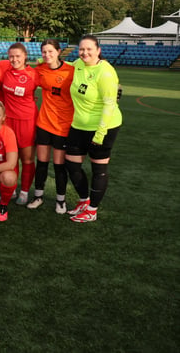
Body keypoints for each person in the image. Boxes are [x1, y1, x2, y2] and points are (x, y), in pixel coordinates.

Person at [65, 35, 122, 223]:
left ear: (98, 50)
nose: (84, 53)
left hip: (103, 126)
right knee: (72, 164)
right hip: (79, 124)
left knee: (99, 168)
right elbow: (62, 64)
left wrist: (100, 133)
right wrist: (43, 60)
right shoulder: (78, 64)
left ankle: (92, 210)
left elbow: (109, 105)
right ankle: (84, 200)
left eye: (89, 49)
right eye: (81, 49)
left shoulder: (105, 72)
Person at [27, 39, 74, 213]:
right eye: (44, 52)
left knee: (59, 165)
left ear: (59, 51)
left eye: (50, 52)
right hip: (44, 123)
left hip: (63, 126)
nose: (47, 55)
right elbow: (20, 69)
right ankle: (38, 196)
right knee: (42, 163)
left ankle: (60, 200)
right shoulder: (40, 70)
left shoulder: (71, 71)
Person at [0, 43, 39, 205]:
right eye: (11, 56)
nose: (14, 59)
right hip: (8, 120)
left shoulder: (34, 74)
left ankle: (24, 192)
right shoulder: (5, 68)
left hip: (27, 120)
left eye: (18, 56)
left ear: (25, 56)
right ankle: (13, 188)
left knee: (27, 158)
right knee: (11, 158)